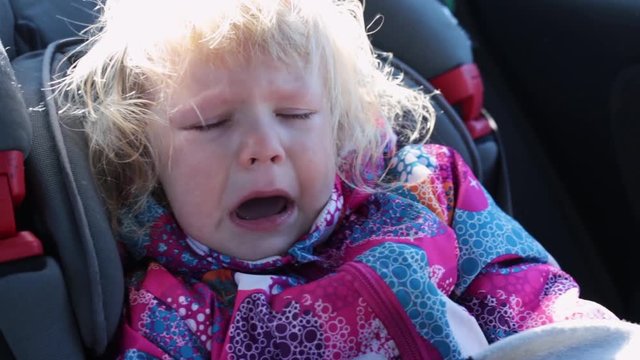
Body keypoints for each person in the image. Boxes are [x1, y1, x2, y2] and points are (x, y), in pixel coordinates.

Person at [57, 0, 619, 358]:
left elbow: (529, 297)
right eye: (212, 123)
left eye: (296, 115)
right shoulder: (169, 311)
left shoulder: (423, 191)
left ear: (340, 127)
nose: (262, 149)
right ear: (147, 159)